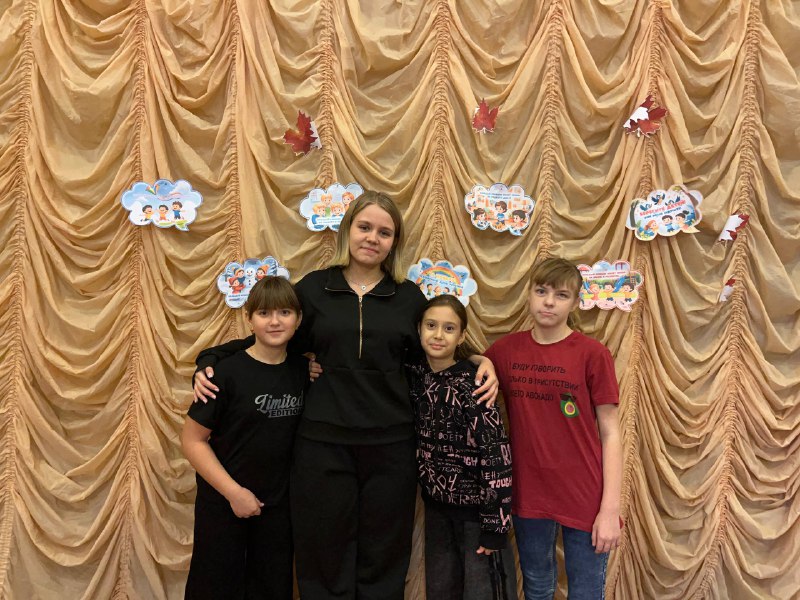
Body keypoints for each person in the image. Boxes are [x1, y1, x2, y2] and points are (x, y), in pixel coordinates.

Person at [192, 191, 498, 599]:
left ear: (394, 241)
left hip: (391, 446)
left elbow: (439, 346)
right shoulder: (314, 289)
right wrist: (210, 358)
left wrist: (479, 358)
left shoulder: (408, 296)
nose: (373, 238)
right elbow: (271, 335)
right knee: (324, 550)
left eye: (384, 232)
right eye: (364, 227)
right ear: (347, 230)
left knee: (383, 553)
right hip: (323, 445)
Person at [484, 257, 622, 600]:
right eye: (541, 291)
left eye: (561, 295)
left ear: (575, 303)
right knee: (537, 587)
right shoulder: (505, 350)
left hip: (584, 494)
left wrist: (610, 509)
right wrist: (479, 360)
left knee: (586, 591)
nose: (548, 302)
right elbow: (474, 363)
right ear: (529, 294)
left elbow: (611, 433)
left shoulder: (593, 354)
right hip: (528, 492)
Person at [182, 276, 307, 600]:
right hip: (223, 503)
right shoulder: (223, 374)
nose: (275, 321)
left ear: (298, 319)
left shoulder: (303, 371)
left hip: (278, 509)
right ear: (249, 319)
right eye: (264, 313)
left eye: (284, 312)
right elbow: (192, 441)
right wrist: (234, 493)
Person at [407, 295, 516, 600]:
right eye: (431, 325)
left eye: (449, 328)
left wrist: (495, 527)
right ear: (419, 329)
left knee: (483, 591)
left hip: (476, 515)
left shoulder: (475, 385)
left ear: (462, 335)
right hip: (436, 509)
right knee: (442, 589)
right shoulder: (416, 374)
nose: (438, 335)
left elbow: (496, 456)